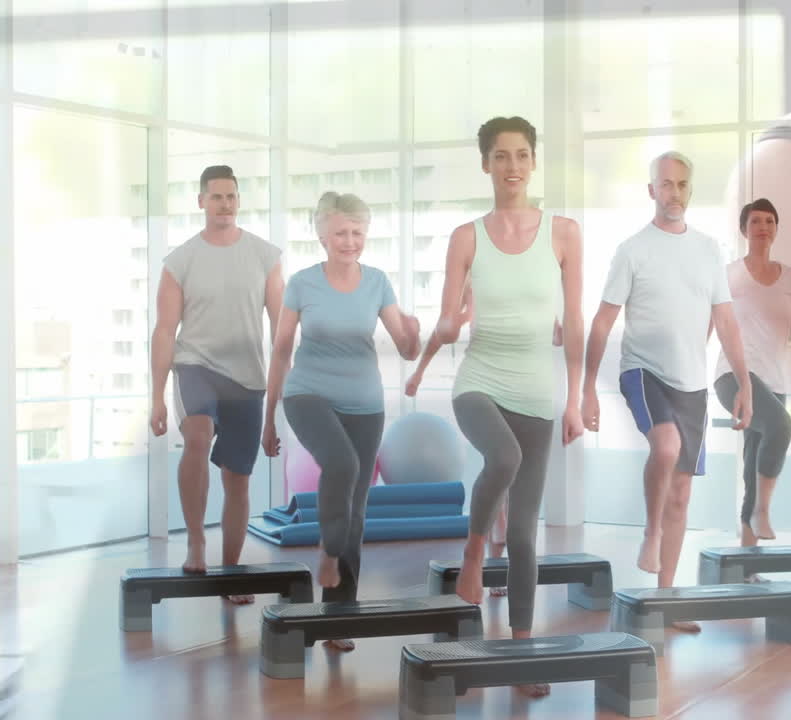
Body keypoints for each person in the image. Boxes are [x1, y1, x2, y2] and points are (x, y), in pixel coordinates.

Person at [429, 115, 584, 699]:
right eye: (501, 156)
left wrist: (577, 396)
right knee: (502, 456)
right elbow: (447, 319)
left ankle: (523, 648)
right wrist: (448, 323)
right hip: (478, 380)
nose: (512, 166)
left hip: (537, 394)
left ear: (534, 161)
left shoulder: (565, 234)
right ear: (486, 164)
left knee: (523, 532)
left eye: (521, 155)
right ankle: (472, 548)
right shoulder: (466, 237)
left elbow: (572, 324)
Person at [581, 151, 753, 618]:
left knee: (681, 495)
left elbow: (727, 322)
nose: (673, 193)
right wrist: (587, 389)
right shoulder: (632, 250)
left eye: (681, 185)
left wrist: (745, 383)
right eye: (665, 184)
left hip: (691, 385)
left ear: (688, 191)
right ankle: (650, 533)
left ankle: (663, 600)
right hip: (642, 371)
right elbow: (601, 322)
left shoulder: (707, 250)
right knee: (665, 446)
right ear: (651, 190)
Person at [264, 191, 421, 649]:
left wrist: (413, 335)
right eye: (340, 233)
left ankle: (338, 616)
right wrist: (269, 417)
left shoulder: (378, 283)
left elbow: (406, 348)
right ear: (321, 235)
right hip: (307, 394)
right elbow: (280, 351)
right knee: (344, 464)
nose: (349, 241)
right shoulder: (302, 283)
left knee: (356, 509)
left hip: (365, 404)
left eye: (357, 232)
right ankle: (328, 555)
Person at [150, 165, 283, 604]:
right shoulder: (180, 261)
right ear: (201, 201)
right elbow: (165, 331)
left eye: (231, 196)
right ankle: (194, 542)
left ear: (238, 201)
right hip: (195, 366)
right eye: (216, 197)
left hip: (246, 376)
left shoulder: (264, 256)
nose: (224, 204)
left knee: (238, 481)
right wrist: (156, 397)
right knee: (197, 437)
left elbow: (282, 324)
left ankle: (230, 571)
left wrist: (285, 392)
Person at [405, 287, 563, 597]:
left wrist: (558, 329)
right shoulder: (472, 283)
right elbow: (442, 331)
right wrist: (419, 373)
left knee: (513, 475)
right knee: (503, 462)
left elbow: (556, 337)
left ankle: (496, 560)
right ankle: (483, 555)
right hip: (482, 386)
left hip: (522, 389)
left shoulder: (533, 283)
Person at [713, 198, 791, 553]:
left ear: (776, 229)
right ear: (744, 230)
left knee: (753, 465)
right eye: (755, 222)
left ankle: (747, 563)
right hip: (732, 377)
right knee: (781, 426)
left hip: (772, 381)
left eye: (769, 221)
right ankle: (764, 513)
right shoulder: (728, 275)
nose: (763, 227)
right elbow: (711, 324)